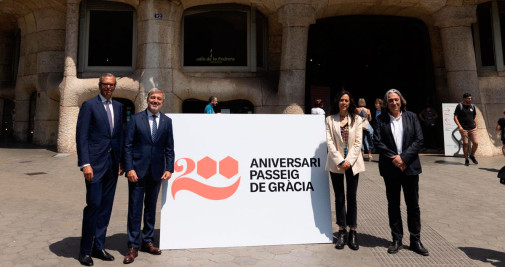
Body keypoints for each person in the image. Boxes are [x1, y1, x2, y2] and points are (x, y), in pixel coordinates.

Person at [373, 89, 428, 256]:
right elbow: (377, 142)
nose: (394, 103)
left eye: (396, 100)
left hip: (410, 168)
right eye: (390, 100)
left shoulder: (411, 117)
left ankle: (415, 239)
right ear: (386, 103)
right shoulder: (380, 120)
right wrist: (395, 159)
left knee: (413, 205)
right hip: (391, 169)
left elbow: (419, 141)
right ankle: (396, 239)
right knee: (393, 205)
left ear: (401, 101)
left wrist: (403, 158)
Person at [76, 73, 124, 266]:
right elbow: (82, 136)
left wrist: (121, 162)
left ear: (114, 87)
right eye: (105, 84)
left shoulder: (119, 107)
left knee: (106, 208)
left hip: (112, 166)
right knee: (94, 205)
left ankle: (99, 246)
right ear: (99, 85)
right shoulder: (89, 106)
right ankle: (85, 250)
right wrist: (85, 163)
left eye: (111, 85)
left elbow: (120, 135)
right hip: (94, 166)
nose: (108, 87)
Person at [123, 88, 175, 264]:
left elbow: (169, 148)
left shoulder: (167, 122)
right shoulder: (136, 119)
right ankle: (132, 246)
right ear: (147, 99)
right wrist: (129, 168)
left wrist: (170, 168)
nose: (155, 101)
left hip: (156, 172)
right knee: (135, 209)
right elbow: (127, 146)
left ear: (162, 101)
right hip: (137, 172)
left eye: (158, 98)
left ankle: (147, 241)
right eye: (152, 98)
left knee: (151, 209)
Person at [325, 91, 365, 251]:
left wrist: (348, 160)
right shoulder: (330, 119)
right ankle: (342, 230)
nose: (344, 103)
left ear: (350, 102)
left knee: (352, 197)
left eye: (346, 100)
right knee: (339, 197)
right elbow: (329, 142)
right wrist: (340, 160)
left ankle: (353, 231)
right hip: (336, 164)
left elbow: (358, 142)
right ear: (338, 102)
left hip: (353, 163)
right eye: (341, 100)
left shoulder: (357, 119)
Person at [454, 93, 478, 166]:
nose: (470, 100)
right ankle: (466, 159)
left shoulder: (473, 106)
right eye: (468, 98)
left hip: (472, 128)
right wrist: (459, 126)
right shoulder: (459, 106)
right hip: (463, 128)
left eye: (471, 98)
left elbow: (474, 117)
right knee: (466, 144)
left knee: (476, 143)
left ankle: (472, 155)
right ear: (464, 98)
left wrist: (476, 126)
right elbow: (455, 117)